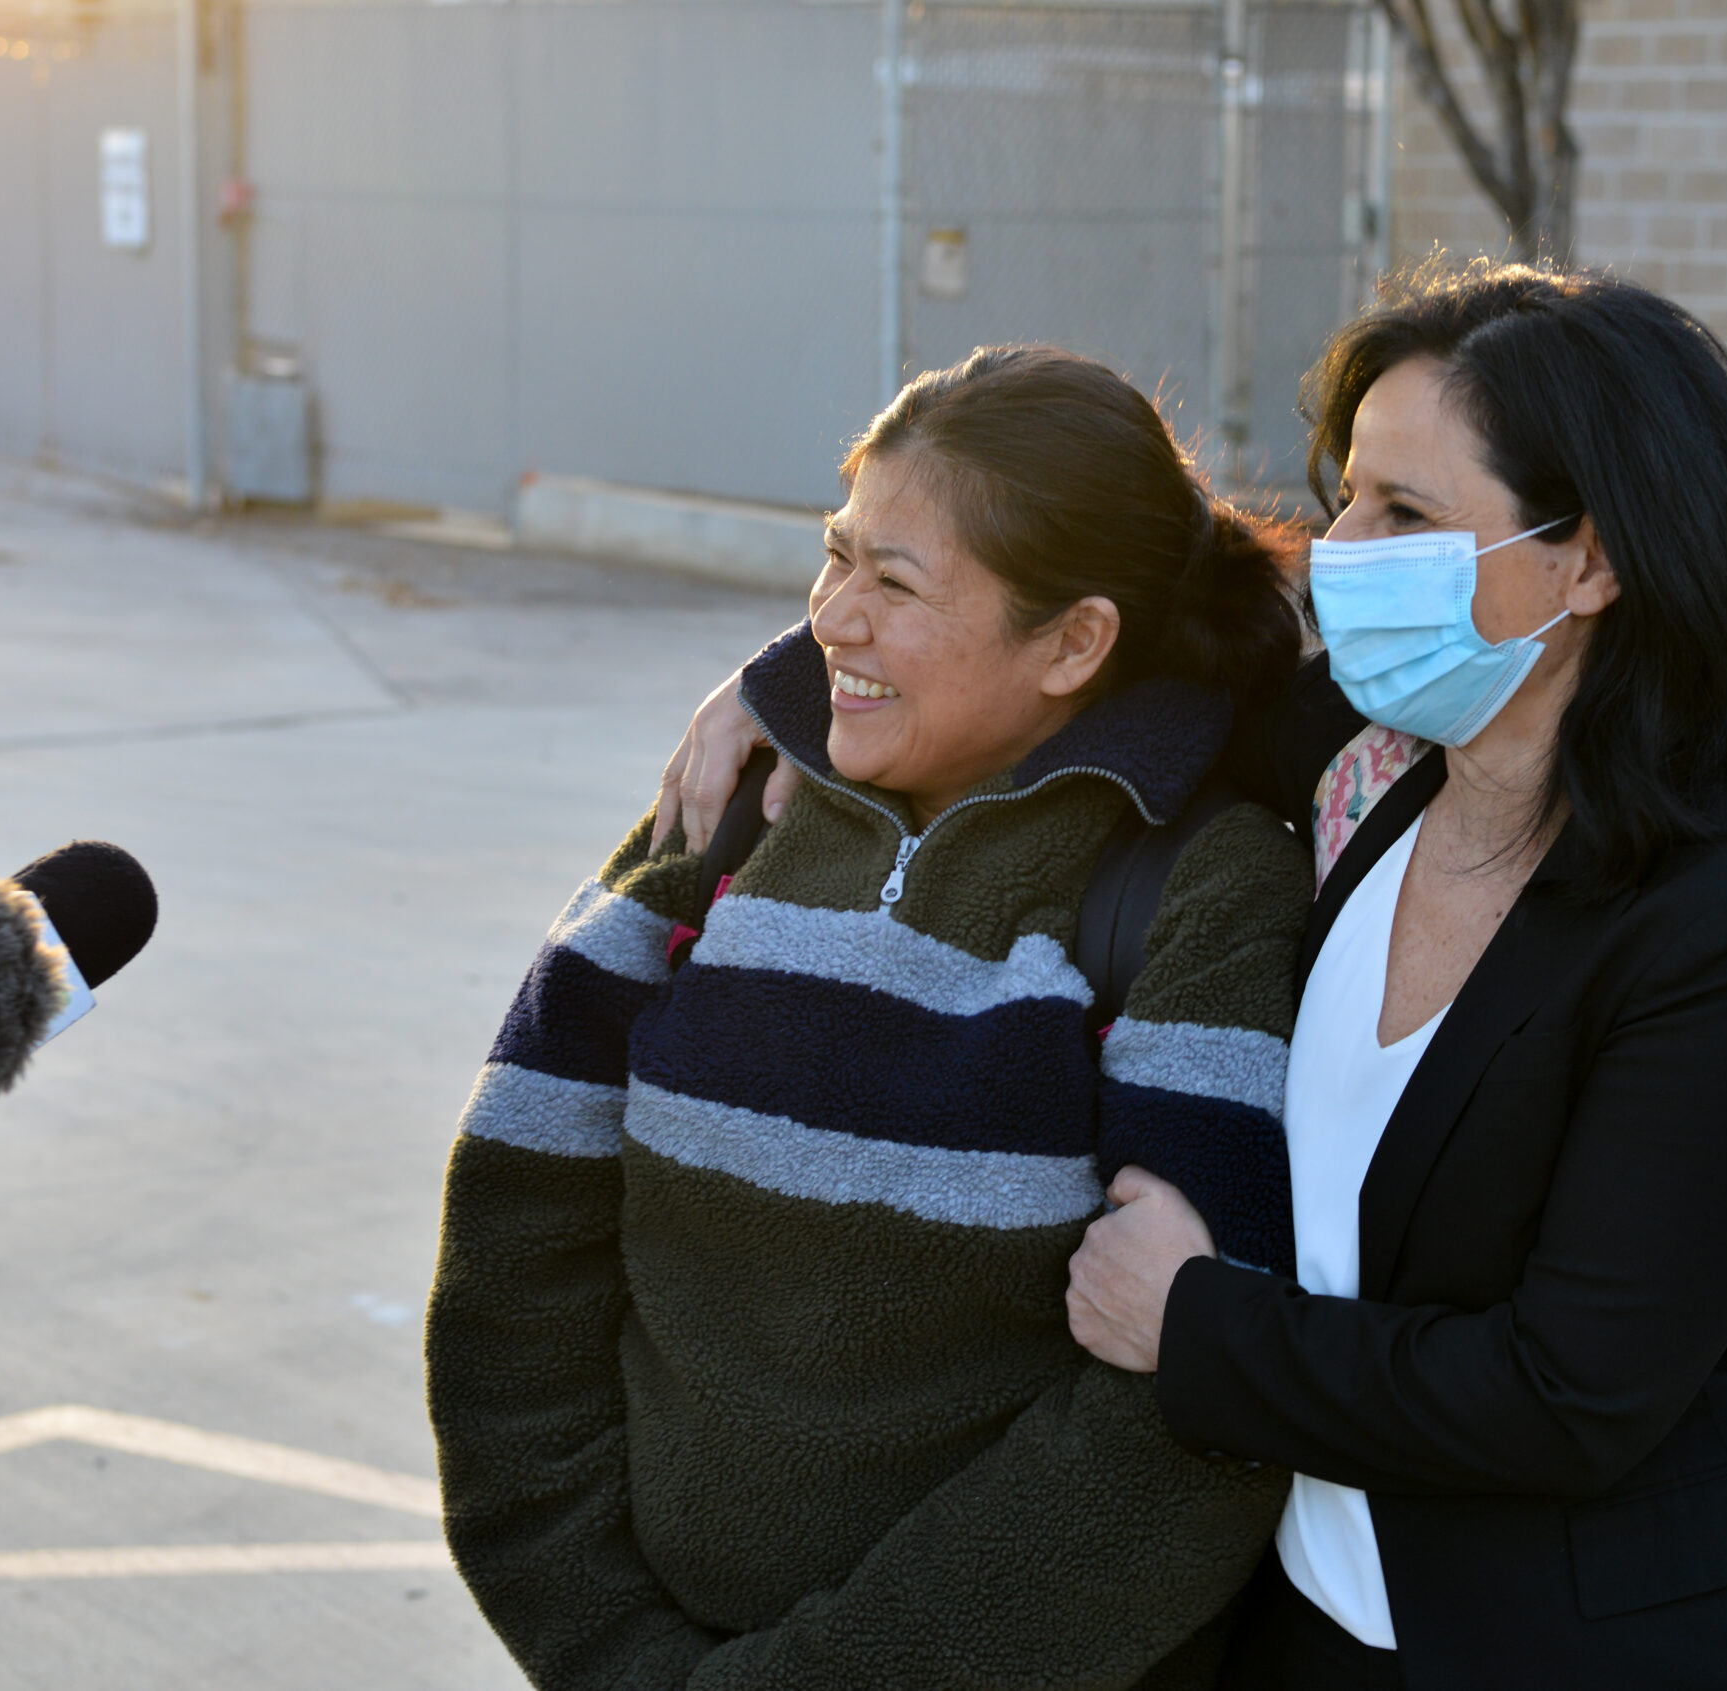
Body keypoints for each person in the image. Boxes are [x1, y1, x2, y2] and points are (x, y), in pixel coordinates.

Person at [661, 263, 1727, 1689]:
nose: (1340, 552)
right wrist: (788, 676)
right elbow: (1108, 597)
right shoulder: (1360, 765)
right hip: (1312, 1632)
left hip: (1620, 1647)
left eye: (1408, 516)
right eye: (1348, 499)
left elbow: (1575, 1395)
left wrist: (1192, 1325)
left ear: (1592, 561)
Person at [427, 346, 1312, 1691]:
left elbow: (1174, 1431)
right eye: (833, 558)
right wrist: (607, 1653)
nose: (830, 620)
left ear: (1075, 640)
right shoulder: (730, 815)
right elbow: (516, 1240)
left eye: (894, 584)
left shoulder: (1203, 886)